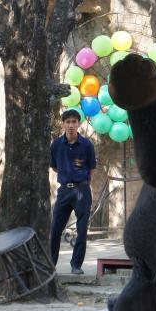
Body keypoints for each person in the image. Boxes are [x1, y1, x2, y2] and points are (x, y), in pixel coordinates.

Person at [50, 109, 96, 275]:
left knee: (82, 228)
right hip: (64, 191)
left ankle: (76, 264)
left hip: (81, 191)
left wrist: (80, 182)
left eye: (74, 122)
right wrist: (67, 176)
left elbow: (91, 169)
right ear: (63, 124)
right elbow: (55, 166)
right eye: (67, 122)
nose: (70, 125)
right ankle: (51, 264)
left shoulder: (87, 145)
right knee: (55, 228)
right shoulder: (56, 145)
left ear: (79, 123)